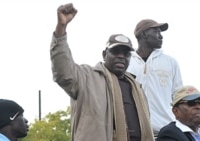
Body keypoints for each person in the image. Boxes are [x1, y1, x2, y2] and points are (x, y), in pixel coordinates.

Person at [50, 3, 154, 141]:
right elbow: (63, 72)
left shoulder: (136, 86)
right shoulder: (87, 77)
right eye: (116, 51)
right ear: (104, 54)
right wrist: (61, 29)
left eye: (126, 53)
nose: (121, 56)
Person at [127, 19, 183, 135]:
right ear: (143, 35)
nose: (161, 37)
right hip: (134, 132)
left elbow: (178, 96)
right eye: (156, 32)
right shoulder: (127, 62)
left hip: (165, 131)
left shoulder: (170, 62)